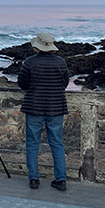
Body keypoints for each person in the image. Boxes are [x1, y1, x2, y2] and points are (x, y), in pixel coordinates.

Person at [18, 32, 70, 191]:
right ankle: (60, 180)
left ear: (37, 46)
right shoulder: (60, 62)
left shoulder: (29, 62)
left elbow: (22, 84)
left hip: (34, 106)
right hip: (56, 107)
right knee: (56, 143)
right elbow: (65, 83)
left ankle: (34, 178)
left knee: (32, 143)